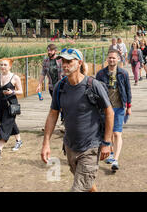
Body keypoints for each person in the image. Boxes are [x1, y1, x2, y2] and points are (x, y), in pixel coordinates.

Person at [40, 48, 115, 192]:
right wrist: (46, 143)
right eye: (63, 61)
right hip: (70, 146)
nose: (65, 64)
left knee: (78, 188)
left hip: (91, 146)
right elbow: (53, 114)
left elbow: (109, 112)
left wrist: (106, 142)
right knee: (87, 183)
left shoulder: (93, 85)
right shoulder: (60, 87)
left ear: (79, 63)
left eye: (69, 61)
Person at [96, 49, 132, 172]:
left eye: (114, 58)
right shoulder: (100, 74)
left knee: (117, 133)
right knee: (109, 133)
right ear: (107, 59)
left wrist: (129, 106)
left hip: (119, 106)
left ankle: (116, 159)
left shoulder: (123, 73)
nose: (111, 60)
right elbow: (96, 92)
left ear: (118, 59)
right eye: (110, 57)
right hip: (106, 108)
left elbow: (128, 90)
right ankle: (110, 153)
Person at [0, 59, 24, 161]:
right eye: (1, 65)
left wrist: (12, 91)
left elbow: (21, 91)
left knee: (4, 126)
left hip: (11, 105)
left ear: (10, 66)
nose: (2, 66)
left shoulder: (15, 77)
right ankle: (19, 141)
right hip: (0, 104)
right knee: (10, 123)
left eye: (5, 65)